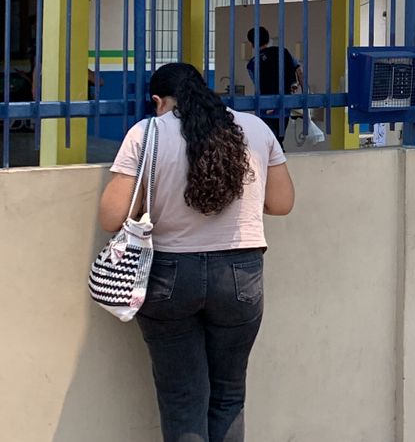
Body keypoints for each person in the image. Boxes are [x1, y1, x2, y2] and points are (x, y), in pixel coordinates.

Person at [97, 62, 296, 441]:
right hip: (240, 274)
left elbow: (111, 217)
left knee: (183, 400)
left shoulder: (147, 133)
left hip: (169, 275)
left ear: (158, 100)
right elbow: (282, 203)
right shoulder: (255, 129)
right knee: (229, 396)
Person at [245, 27, 303, 142]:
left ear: (252, 44)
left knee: (268, 142)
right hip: (284, 106)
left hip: (266, 108)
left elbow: (258, 85)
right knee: (279, 140)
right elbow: (299, 70)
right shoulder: (284, 52)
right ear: (268, 40)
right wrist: (302, 89)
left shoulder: (252, 63)